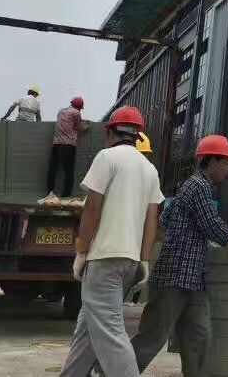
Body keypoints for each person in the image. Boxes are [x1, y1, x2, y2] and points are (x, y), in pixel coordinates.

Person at [130, 135, 228, 376]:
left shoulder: (192, 188)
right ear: (212, 161)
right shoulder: (197, 186)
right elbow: (211, 224)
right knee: (153, 337)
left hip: (194, 281)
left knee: (199, 337)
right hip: (175, 276)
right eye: (226, 163)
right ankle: (115, 372)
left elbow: (165, 220)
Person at [59, 105, 164, 377]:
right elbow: (151, 220)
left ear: (110, 133)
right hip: (129, 262)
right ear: (138, 135)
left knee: (111, 333)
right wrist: (144, 259)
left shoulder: (106, 157)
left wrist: (81, 251)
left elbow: (92, 209)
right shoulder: (150, 169)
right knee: (88, 329)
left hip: (104, 259)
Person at [41, 96, 91, 203]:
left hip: (56, 144)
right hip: (68, 145)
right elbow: (80, 128)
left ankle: (50, 191)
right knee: (68, 170)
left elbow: (67, 123)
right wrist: (87, 126)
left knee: (53, 169)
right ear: (79, 107)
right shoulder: (76, 113)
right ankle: (66, 193)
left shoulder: (61, 111)